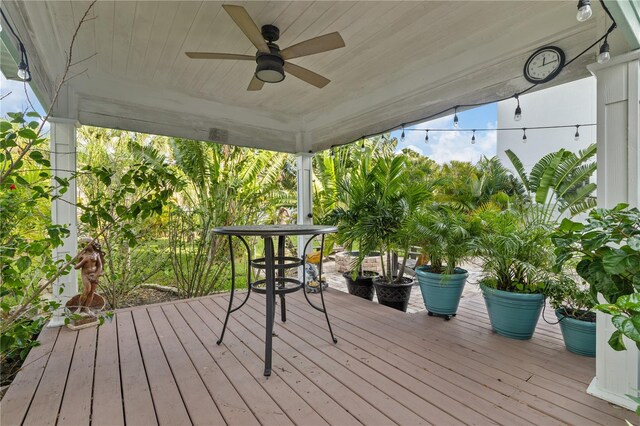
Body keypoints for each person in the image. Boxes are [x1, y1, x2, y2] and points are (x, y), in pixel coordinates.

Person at [74, 238, 104, 312]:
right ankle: (79, 307)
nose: (87, 246)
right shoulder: (82, 255)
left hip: (94, 275)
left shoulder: (96, 254)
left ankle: (86, 308)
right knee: (87, 290)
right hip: (85, 275)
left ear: (92, 244)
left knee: (92, 292)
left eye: (89, 244)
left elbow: (100, 266)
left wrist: (96, 275)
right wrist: (84, 260)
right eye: (85, 244)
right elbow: (76, 267)